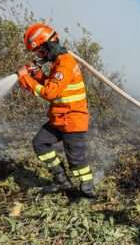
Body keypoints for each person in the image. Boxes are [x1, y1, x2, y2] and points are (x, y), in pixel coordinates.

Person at [17, 22, 96, 198]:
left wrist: (26, 79)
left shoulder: (65, 64)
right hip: (60, 118)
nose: (40, 55)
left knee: (77, 162)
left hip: (73, 120)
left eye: (41, 51)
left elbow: (50, 92)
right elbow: (52, 84)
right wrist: (36, 75)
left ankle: (87, 193)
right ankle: (62, 181)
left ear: (49, 45)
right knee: (40, 143)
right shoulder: (59, 62)